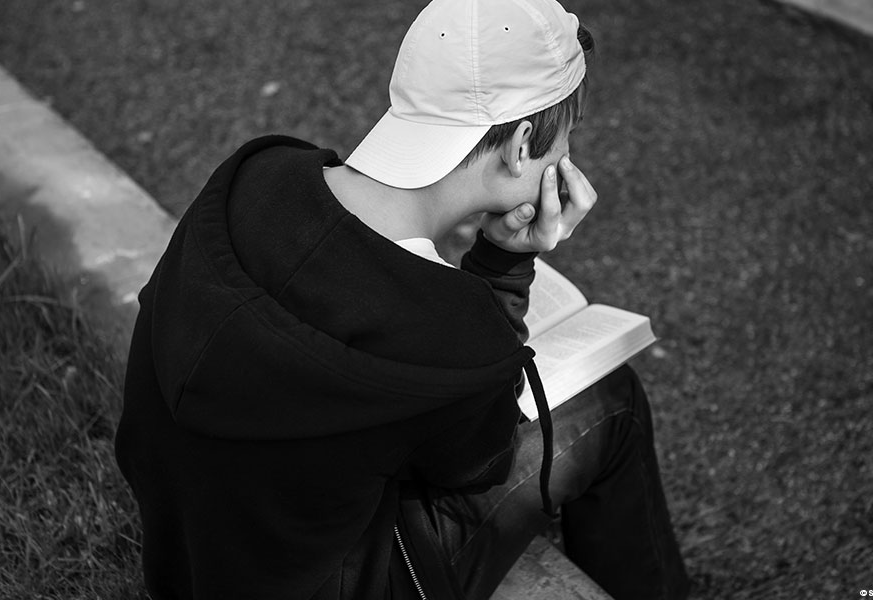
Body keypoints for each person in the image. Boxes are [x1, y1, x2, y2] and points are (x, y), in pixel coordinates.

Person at [114, 0, 689, 598]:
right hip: (349, 581)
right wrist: (505, 266)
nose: (565, 155)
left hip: (188, 558)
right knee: (613, 402)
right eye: (566, 138)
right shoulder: (449, 329)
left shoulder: (256, 175)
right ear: (522, 145)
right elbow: (476, 463)